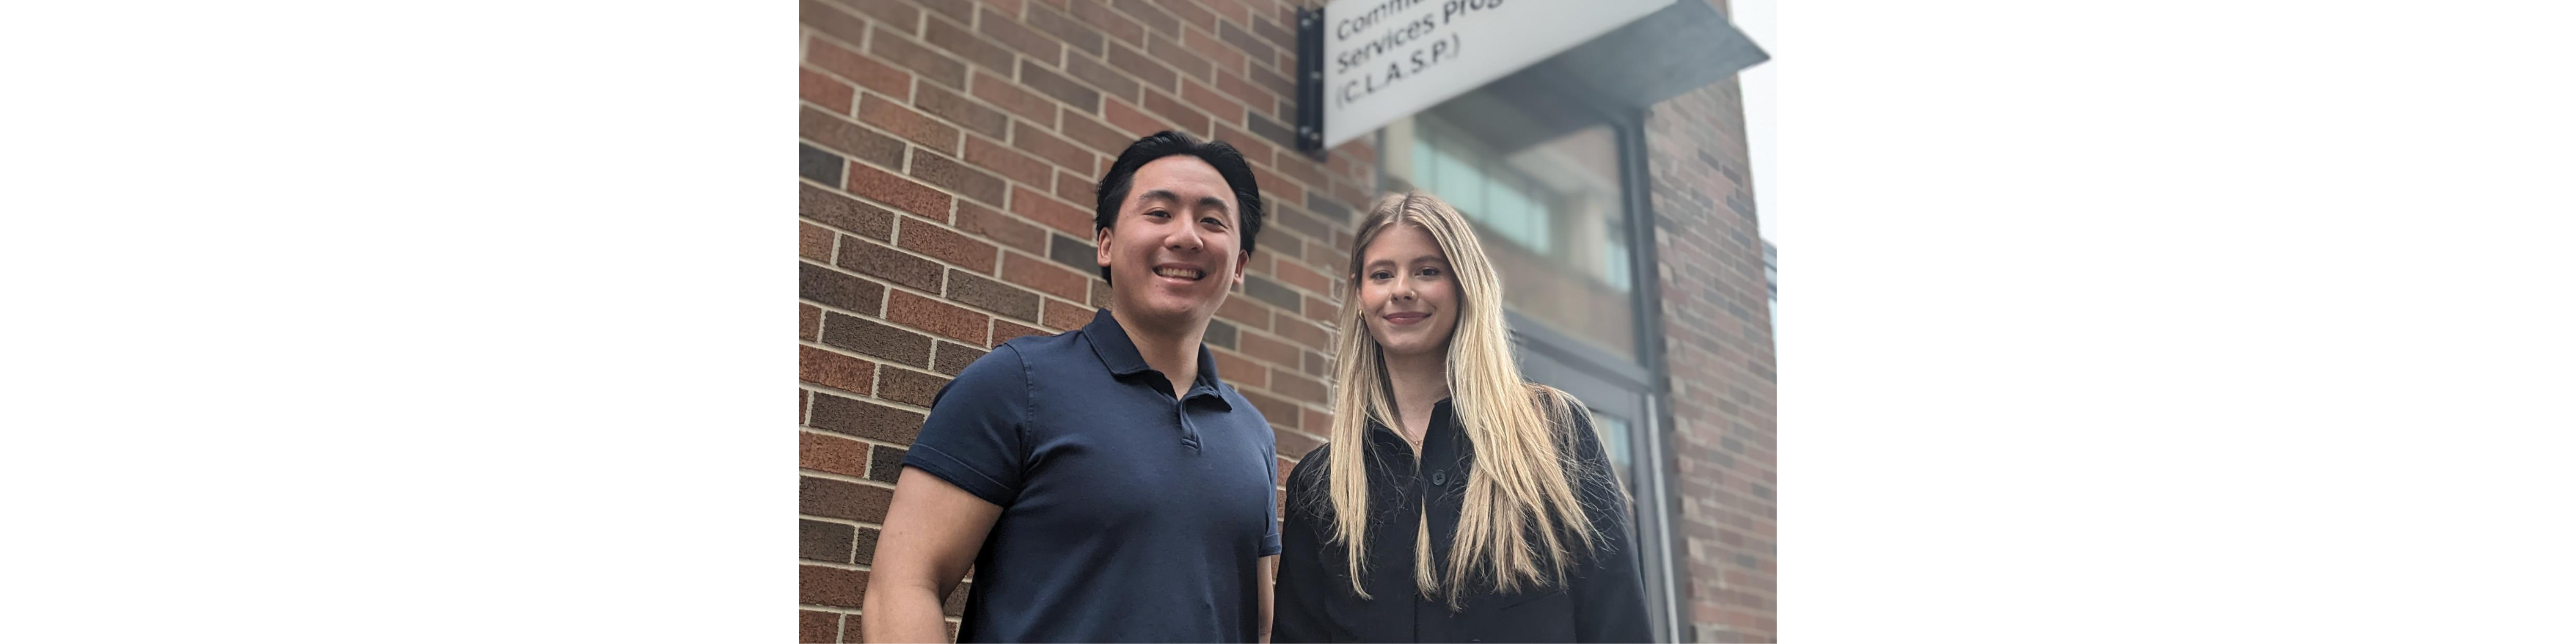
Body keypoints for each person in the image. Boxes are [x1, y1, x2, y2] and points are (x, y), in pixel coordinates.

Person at [863, 131, 1280, 643]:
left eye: (1212, 221)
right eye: (1159, 213)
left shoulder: (1253, 434)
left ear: (1238, 265)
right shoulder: (1015, 384)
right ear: (1106, 244)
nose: (1187, 236)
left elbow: (1257, 626)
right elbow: (903, 586)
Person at [1273, 193, 1651, 643]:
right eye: (1382, 274)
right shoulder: (1322, 483)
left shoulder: (1554, 432)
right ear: (1360, 296)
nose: (1402, 289)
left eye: (1427, 271)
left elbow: (1617, 620)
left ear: (1464, 284)